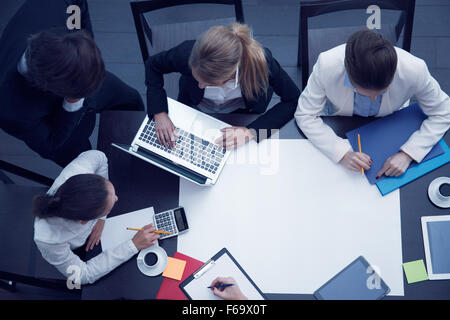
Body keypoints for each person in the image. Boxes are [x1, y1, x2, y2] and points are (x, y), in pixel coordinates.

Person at [0, 0, 144, 168]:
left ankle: (138, 152)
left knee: (130, 99)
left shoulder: (58, 4)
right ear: (51, 89)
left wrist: (84, 47)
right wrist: (72, 103)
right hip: (57, 127)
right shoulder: (11, 112)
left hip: (80, 69)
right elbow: (51, 144)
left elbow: (77, 4)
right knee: (86, 162)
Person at [295, 30, 450, 178]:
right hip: (342, 120)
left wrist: (409, 153)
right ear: (349, 75)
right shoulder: (326, 65)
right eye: (364, 93)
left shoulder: (415, 69)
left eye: (381, 92)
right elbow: (305, 114)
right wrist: (341, 153)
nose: (374, 99)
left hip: (391, 121)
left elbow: (444, 111)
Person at [145, 23, 300, 150]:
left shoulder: (263, 63)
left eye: (207, 83)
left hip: (243, 114)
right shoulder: (186, 53)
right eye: (196, 78)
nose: (200, 85)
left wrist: (250, 131)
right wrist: (159, 112)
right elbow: (153, 65)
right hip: (194, 107)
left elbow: (293, 99)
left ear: (230, 74)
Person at [33, 150, 158, 285]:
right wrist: (133, 245)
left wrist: (102, 218)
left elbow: (100, 157)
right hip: (76, 251)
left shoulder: (81, 169)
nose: (116, 198)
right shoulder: (49, 241)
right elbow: (82, 276)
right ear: (86, 222)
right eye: (108, 208)